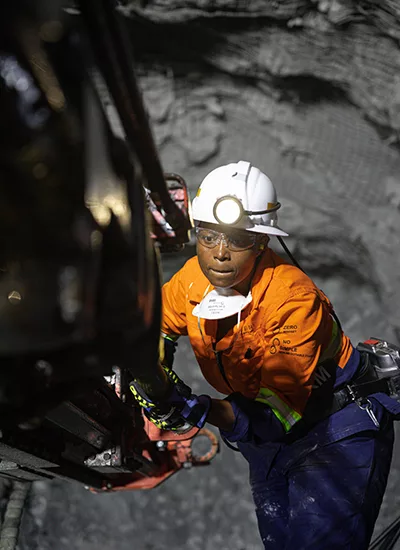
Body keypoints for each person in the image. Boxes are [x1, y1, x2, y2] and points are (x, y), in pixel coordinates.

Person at [133, 160, 400, 549]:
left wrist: (196, 407)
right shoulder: (192, 279)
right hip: (268, 448)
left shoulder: (293, 301)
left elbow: (276, 415)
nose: (220, 254)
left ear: (262, 242)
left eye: (237, 240)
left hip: (334, 434)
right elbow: (158, 327)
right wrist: (154, 376)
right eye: (209, 237)